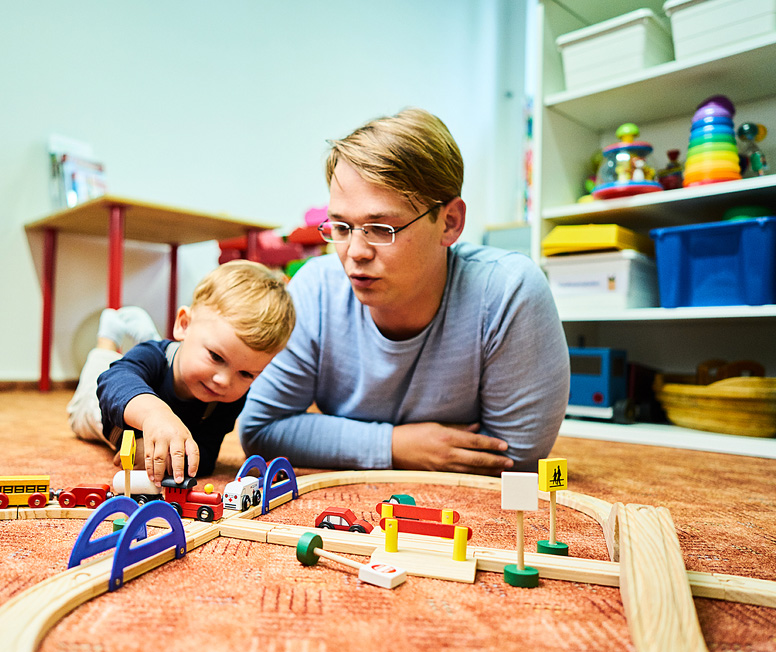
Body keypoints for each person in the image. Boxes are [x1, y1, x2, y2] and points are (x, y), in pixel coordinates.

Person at [239, 108, 569, 476]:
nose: (355, 252)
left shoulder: (509, 290)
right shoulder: (315, 289)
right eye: (342, 227)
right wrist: (396, 446)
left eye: (382, 228)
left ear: (450, 223)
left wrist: (335, 440)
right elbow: (261, 430)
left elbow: (514, 459)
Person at [67, 260, 296, 484]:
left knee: (146, 361)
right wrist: (154, 416)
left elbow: (206, 455)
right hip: (97, 407)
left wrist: (169, 456)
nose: (224, 381)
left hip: (155, 367)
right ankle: (109, 334)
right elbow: (111, 383)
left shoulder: (228, 399)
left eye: (246, 374)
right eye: (216, 357)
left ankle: (149, 335)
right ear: (184, 325)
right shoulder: (155, 360)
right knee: (101, 367)